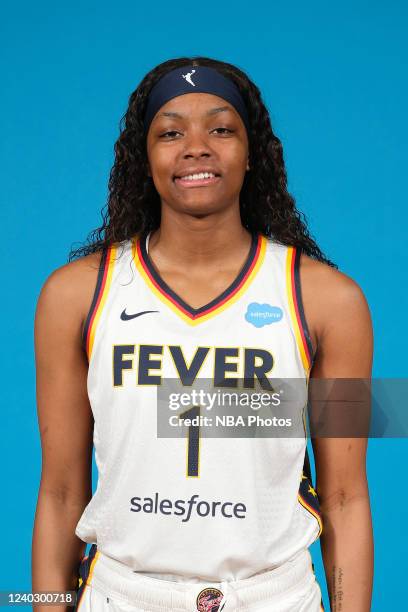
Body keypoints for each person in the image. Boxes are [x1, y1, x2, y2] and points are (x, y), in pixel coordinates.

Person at [32, 56, 374, 612]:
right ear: (144, 158)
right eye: (170, 132)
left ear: (251, 155)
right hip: (122, 595)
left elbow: (345, 497)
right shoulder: (74, 296)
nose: (196, 146)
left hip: (274, 597)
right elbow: (61, 492)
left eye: (220, 128)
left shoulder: (333, 302)